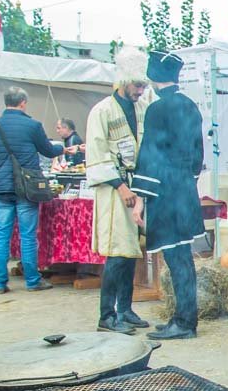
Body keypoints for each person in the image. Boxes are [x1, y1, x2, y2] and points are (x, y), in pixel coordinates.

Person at [133, 51, 205, 340]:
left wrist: (140, 199)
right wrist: (189, 180)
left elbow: (149, 155)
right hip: (185, 188)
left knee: (177, 260)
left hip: (165, 191)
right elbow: (198, 153)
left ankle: (185, 322)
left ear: (153, 78)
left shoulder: (157, 110)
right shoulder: (190, 106)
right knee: (182, 258)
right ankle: (182, 316)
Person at [86, 46, 150, 333]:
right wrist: (121, 187)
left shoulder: (140, 109)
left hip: (134, 184)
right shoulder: (101, 111)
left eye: (144, 85)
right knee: (117, 251)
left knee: (131, 250)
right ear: (125, 80)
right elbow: (97, 153)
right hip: (114, 189)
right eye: (138, 85)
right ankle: (106, 315)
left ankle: (125, 308)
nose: (140, 90)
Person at [0, 86, 63, 293]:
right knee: (27, 235)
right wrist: (62, 148)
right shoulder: (32, 125)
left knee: (1, 235)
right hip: (25, 188)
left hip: (0, 188)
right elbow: (48, 150)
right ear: (23, 102)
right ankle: (32, 280)